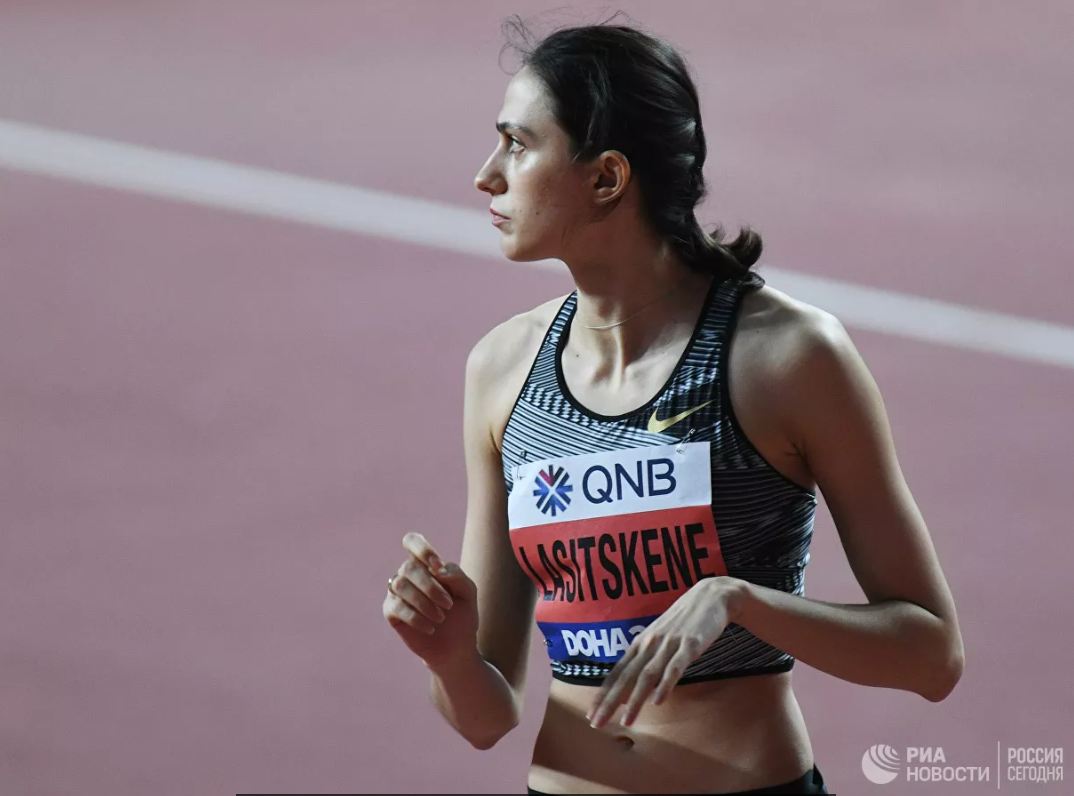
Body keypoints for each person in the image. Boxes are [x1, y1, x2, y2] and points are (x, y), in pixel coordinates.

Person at [382, 19, 964, 795]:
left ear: (607, 178)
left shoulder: (786, 357)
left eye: (518, 145)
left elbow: (931, 655)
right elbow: (486, 718)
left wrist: (740, 603)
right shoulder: (502, 370)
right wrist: (452, 656)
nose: (487, 176)